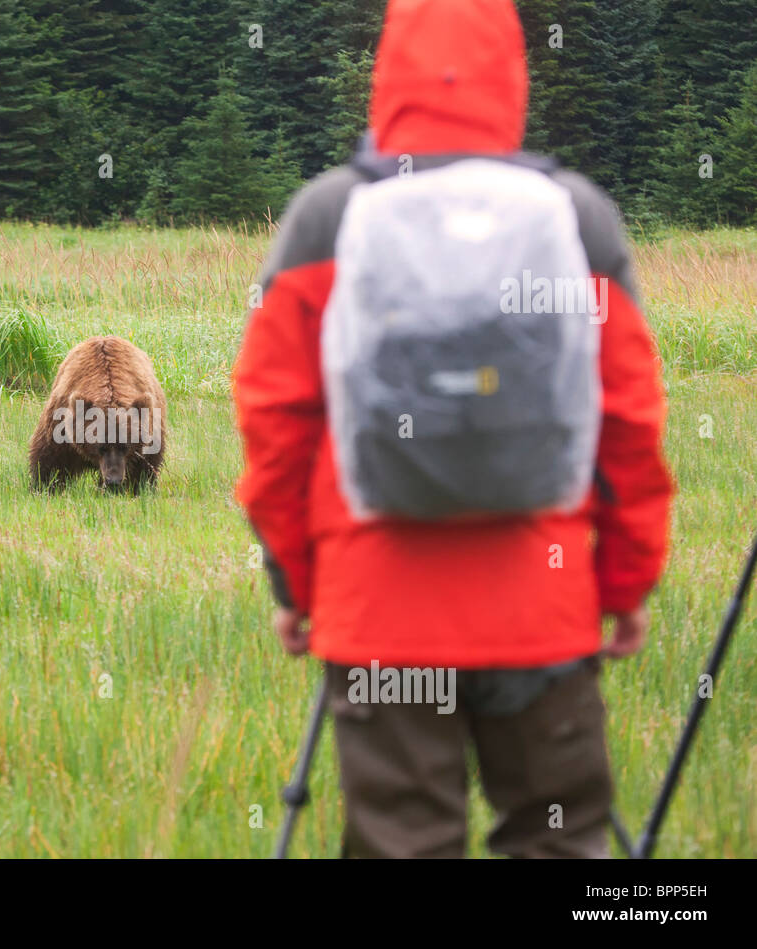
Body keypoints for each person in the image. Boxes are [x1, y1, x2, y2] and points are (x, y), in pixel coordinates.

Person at [233, 0, 672, 858]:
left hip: (378, 610)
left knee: (404, 842)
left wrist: (295, 583)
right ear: (513, 72)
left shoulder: (326, 217)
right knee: (558, 839)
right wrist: (622, 582)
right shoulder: (576, 218)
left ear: (385, 72)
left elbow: (274, 422)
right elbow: (626, 422)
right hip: (540, 608)